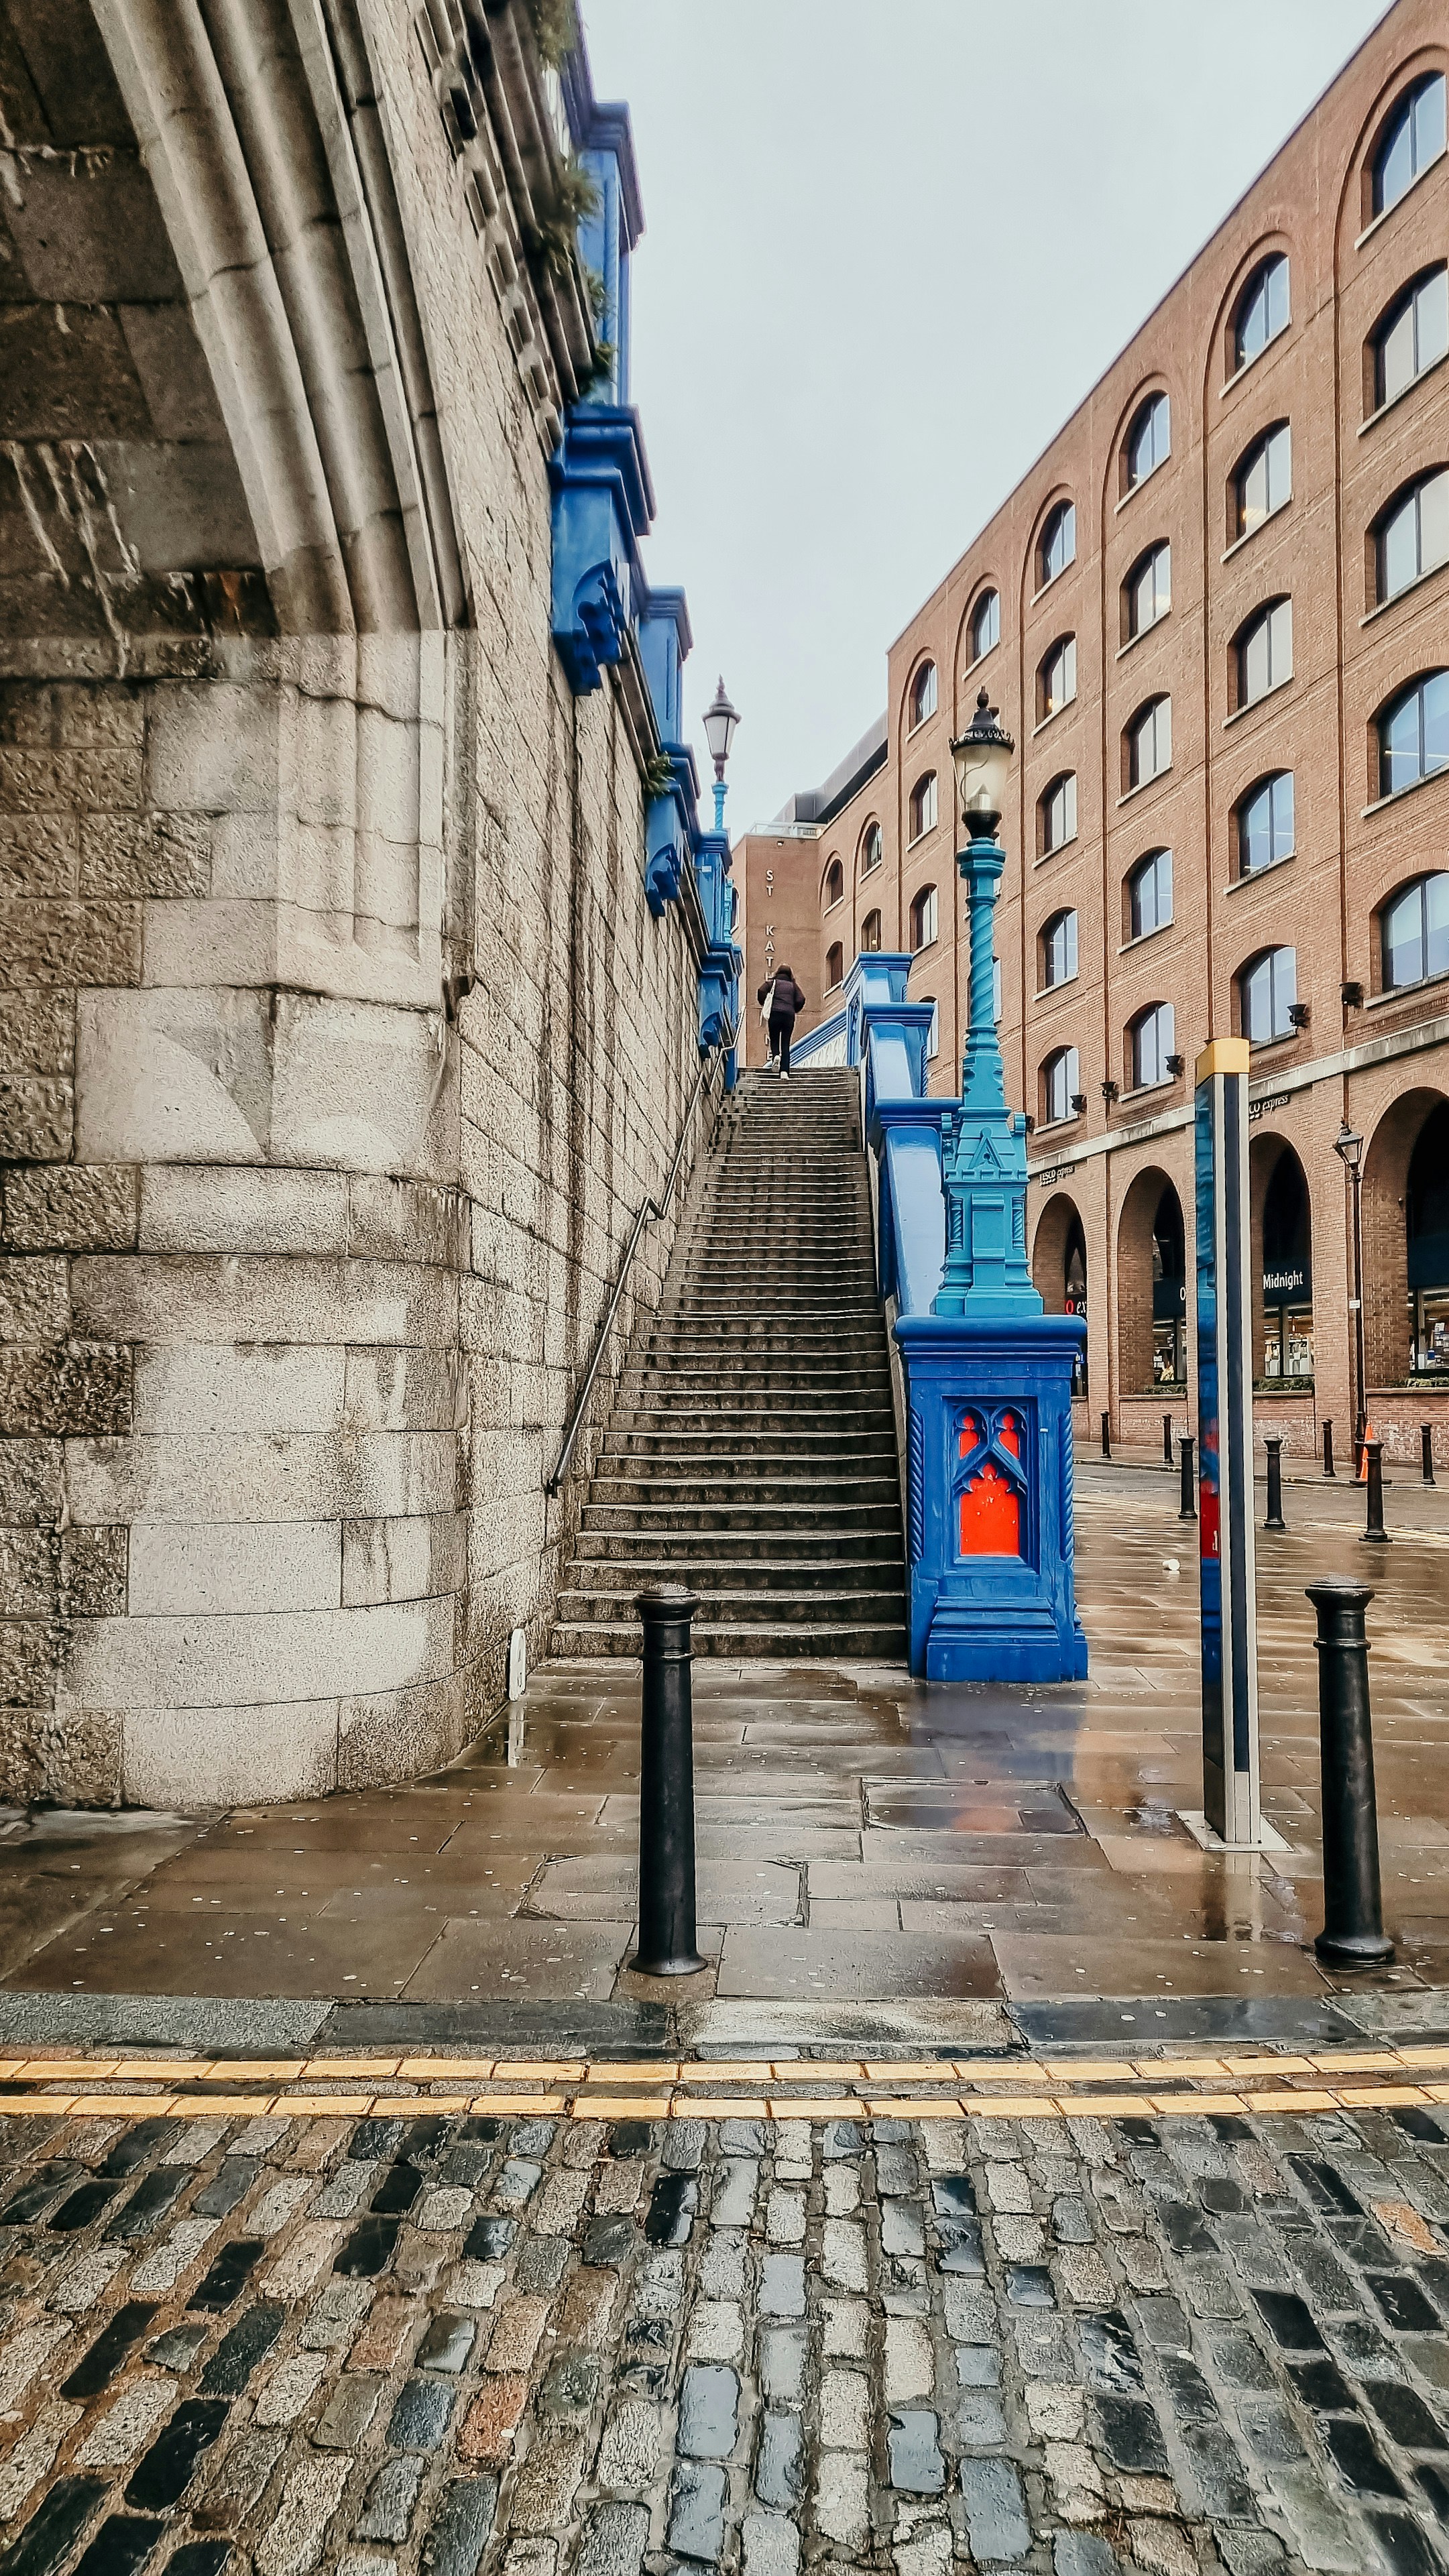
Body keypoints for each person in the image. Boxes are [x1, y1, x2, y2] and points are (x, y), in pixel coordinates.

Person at [758, 964, 806, 1078]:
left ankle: (776, 1056)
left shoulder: (772, 983)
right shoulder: (793, 986)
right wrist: (794, 1008)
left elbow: (761, 991)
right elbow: (801, 999)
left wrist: (765, 1003)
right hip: (789, 1016)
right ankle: (784, 1071)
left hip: (775, 1013)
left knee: (774, 1038)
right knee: (785, 1043)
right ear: (790, 974)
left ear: (778, 973)